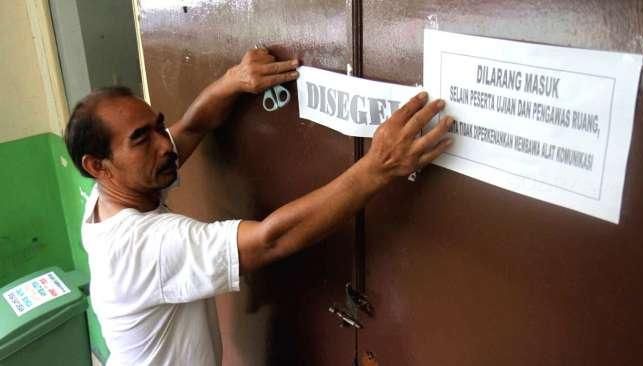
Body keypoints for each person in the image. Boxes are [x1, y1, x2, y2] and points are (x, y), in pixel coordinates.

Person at [65, 47, 453, 365]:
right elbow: (271, 239)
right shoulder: (145, 246)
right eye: (140, 139)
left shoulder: (110, 197)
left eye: (157, 126)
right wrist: (377, 166)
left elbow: (192, 127)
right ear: (97, 166)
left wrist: (230, 82)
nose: (164, 145)